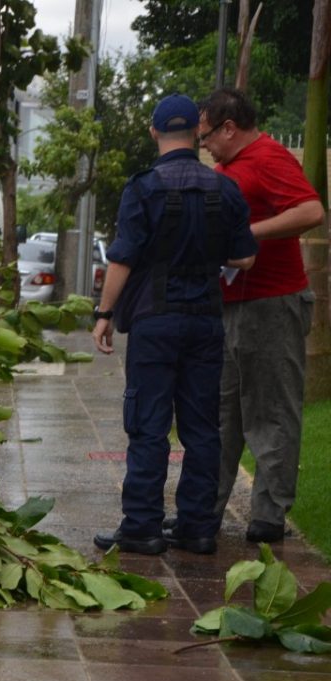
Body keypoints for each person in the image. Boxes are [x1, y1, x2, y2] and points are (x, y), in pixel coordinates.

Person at [92, 93, 257, 556]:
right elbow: (245, 256)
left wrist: (104, 314)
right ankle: (196, 528)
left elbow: (122, 258)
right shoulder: (224, 189)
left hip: (154, 322)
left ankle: (142, 527)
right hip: (206, 321)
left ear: (154, 132)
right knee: (203, 427)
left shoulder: (143, 188)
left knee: (148, 424)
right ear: (197, 136)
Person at [197, 88, 325, 544]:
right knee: (221, 410)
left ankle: (268, 517)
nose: (204, 145)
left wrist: (247, 234)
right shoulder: (230, 166)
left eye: (207, 135)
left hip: (272, 304)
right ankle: (205, 509)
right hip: (230, 305)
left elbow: (311, 209)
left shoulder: (270, 156)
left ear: (229, 127)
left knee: (270, 410)